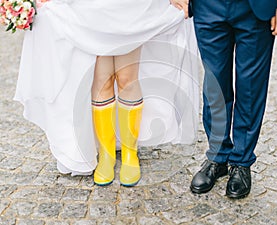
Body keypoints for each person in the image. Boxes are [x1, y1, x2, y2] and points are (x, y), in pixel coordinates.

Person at [15, 0, 200, 186]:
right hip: (93, 8)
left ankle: (130, 153)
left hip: (131, 8)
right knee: (102, 81)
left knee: (127, 78)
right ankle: (106, 153)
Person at [170, 0, 277, 198]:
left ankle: (241, 161)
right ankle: (218, 156)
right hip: (208, 6)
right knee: (215, 86)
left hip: (255, 9)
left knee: (250, 87)